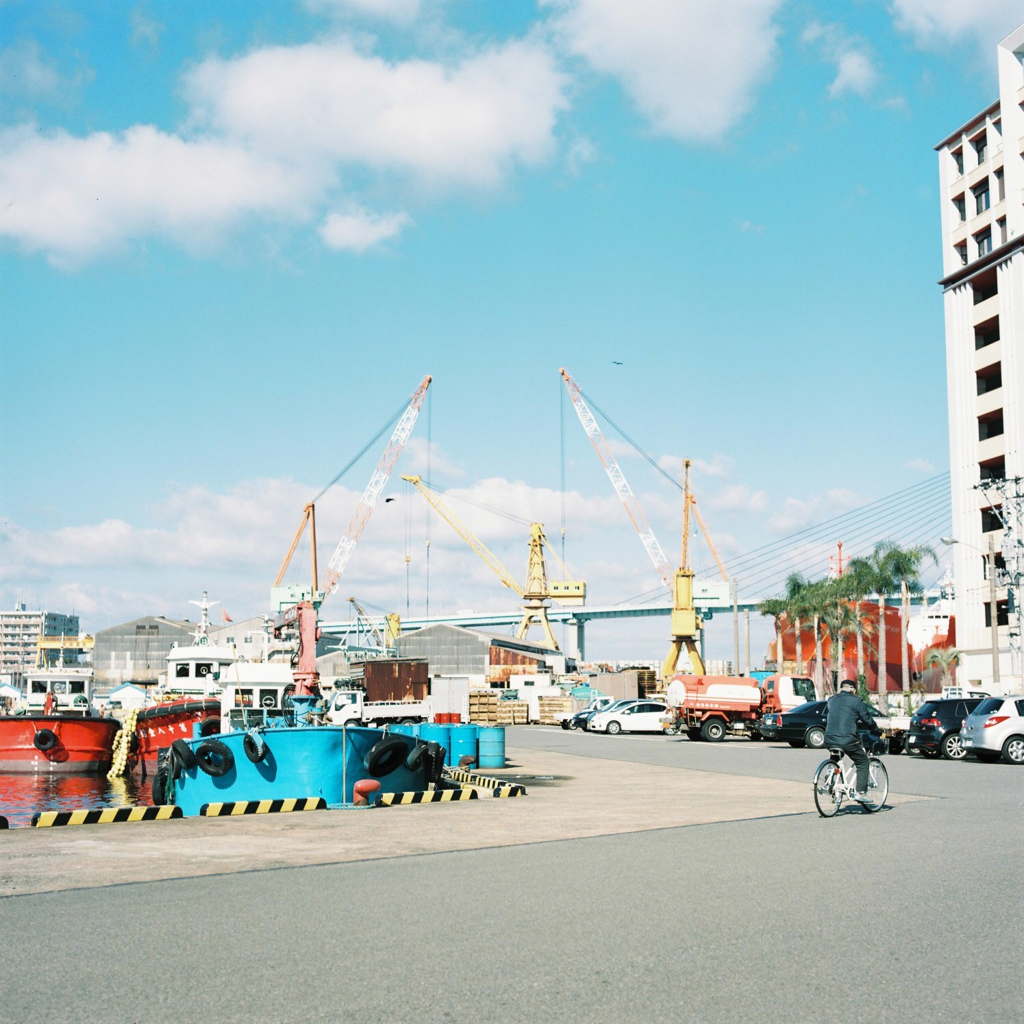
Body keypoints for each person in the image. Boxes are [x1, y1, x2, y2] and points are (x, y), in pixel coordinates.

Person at [823, 679, 881, 802]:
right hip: (847, 739)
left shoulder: (831, 700)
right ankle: (860, 792)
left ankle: (829, 775)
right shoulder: (856, 701)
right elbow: (866, 718)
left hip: (829, 738)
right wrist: (876, 730)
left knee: (836, 753)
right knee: (863, 762)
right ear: (853, 691)